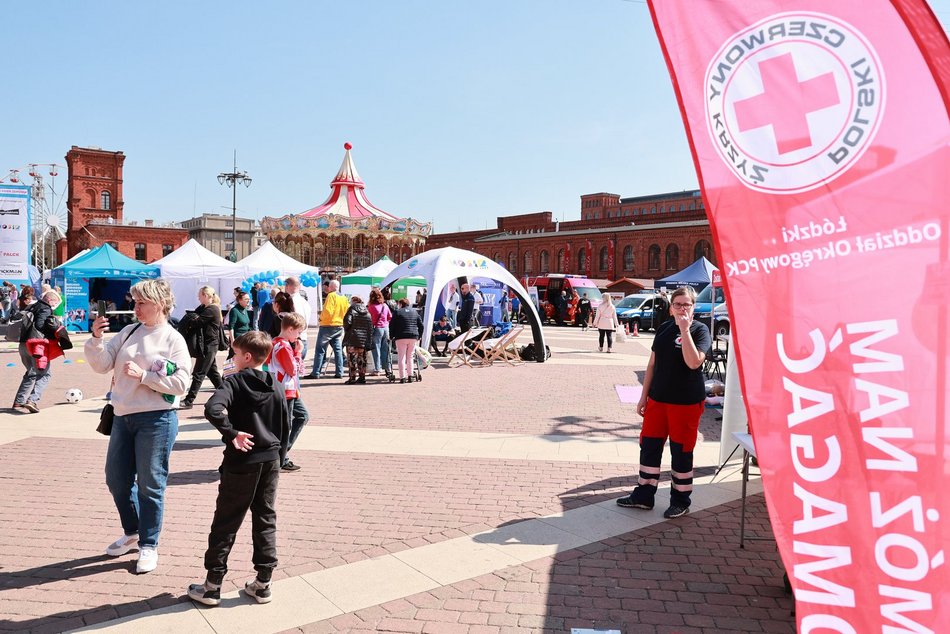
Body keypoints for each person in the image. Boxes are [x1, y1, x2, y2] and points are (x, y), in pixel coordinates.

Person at [85, 279, 191, 573]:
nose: (136, 308)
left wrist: (144, 376)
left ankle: (149, 545)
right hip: (122, 416)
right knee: (116, 480)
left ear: (160, 304)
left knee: (150, 485)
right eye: (135, 302)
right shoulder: (129, 331)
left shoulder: (173, 339)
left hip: (157, 418)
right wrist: (96, 339)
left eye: (142, 302)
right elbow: (102, 364)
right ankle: (133, 532)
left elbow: (182, 384)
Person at [188, 331, 289, 607]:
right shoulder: (276, 385)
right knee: (265, 517)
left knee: (226, 521)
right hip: (270, 460)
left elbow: (213, 408)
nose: (231, 358)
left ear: (246, 357)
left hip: (243, 461)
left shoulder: (233, 383)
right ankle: (263, 583)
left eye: (234, 353)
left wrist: (231, 433)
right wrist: (279, 456)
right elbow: (285, 425)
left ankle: (212, 585)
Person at [616, 286, 711, 519]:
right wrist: (643, 396)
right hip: (658, 400)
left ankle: (680, 500)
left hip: (686, 404)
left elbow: (693, 362)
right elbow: (651, 365)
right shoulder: (664, 328)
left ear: (693, 307)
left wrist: (685, 330)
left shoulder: (700, 330)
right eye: (677, 304)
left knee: (681, 451)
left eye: (686, 304)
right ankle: (644, 495)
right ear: (670, 308)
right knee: (649, 447)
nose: (681, 308)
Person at [267, 312, 308, 472]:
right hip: (286, 389)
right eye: (298, 332)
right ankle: (280, 456)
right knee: (287, 425)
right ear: (290, 329)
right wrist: (298, 353)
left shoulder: (276, 343)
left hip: (288, 389)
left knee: (301, 417)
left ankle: (281, 454)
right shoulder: (282, 345)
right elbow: (292, 369)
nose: (299, 336)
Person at [12, 289, 62, 413]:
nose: (55, 305)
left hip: (23, 344)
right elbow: (40, 325)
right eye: (55, 302)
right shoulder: (45, 308)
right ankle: (32, 400)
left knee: (31, 372)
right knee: (45, 374)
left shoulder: (32, 306)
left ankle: (19, 401)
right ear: (49, 300)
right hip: (35, 345)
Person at [180, 287, 224, 410]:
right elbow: (194, 316)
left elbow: (196, 322)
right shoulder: (203, 308)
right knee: (212, 373)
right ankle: (228, 394)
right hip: (204, 344)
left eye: (200, 295)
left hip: (210, 345)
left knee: (199, 373)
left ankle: (189, 400)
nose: (198, 297)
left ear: (205, 295)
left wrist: (190, 318)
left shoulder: (212, 309)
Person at [307, 279, 347, 379]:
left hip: (327, 325)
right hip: (339, 325)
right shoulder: (344, 297)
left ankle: (316, 372)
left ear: (330, 287)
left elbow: (328, 311)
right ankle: (340, 371)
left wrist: (321, 318)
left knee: (320, 349)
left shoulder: (331, 295)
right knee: (337, 350)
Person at [389, 298, 422, 383]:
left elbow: (391, 325)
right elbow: (421, 325)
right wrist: (419, 336)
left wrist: (391, 336)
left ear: (400, 304)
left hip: (401, 336)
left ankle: (402, 377)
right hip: (413, 336)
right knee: (410, 357)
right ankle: (410, 376)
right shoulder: (415, 312)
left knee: (401, 357)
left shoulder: (397, 312)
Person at [342, 296, 373, 384]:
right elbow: (370, 327)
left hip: (352, 339)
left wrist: (348, 330)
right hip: (363, 340)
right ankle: (362, 377)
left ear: (354, 302)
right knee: (362, 359)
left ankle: (352, 378)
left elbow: (347, 322)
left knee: (352, 359)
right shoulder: (367, 312)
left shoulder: (351, 310)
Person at [284, 277, 312, 363]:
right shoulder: (305, 302)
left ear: (287, 286)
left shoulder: (290, 301)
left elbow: (295, 323)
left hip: (294, 341)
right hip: (302, 339)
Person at [367, 288, 392, 376]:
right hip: (386, 328)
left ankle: (377, 369)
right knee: (385, 349)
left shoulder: (371, 307)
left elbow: (369, 319)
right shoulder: (385, 306)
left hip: (377, 328)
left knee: (376, 349)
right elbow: (390, 317)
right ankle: (387, 368)